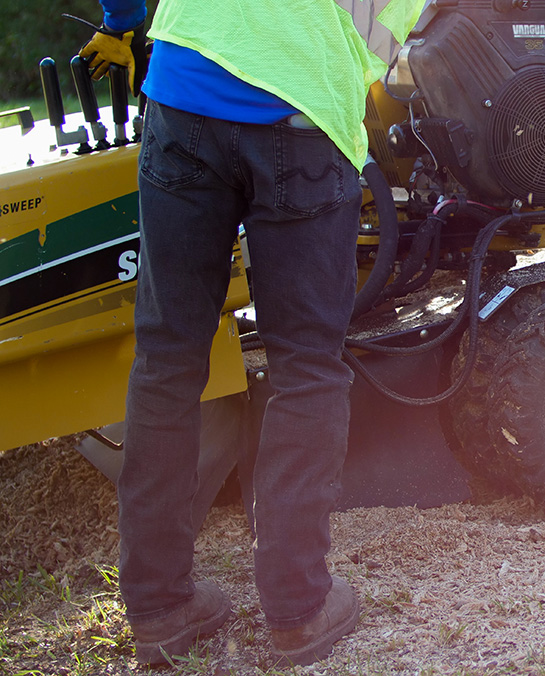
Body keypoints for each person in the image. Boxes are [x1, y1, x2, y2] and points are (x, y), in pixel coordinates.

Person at [80, 0, 418, 667]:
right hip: (300, 104)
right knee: (307, 367)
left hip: (184, 87)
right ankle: (299, 609)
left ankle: (159, 608)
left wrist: (122, 15)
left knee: (167, 361)